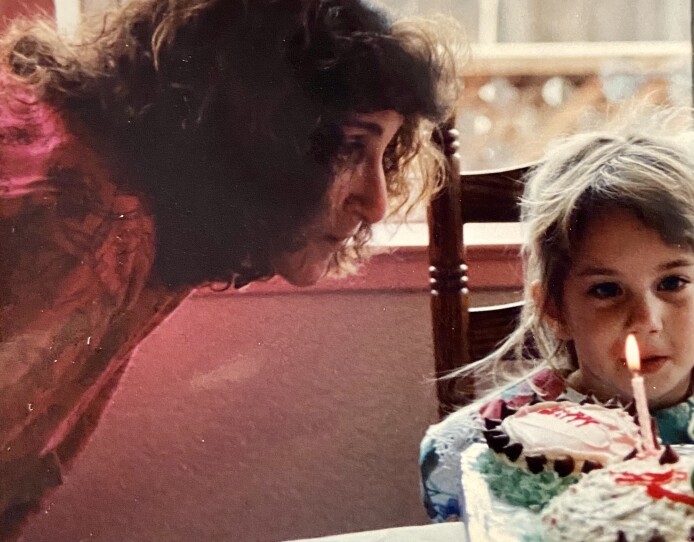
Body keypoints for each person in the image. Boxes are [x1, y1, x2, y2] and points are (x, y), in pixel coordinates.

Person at [0, 0, 459, 535]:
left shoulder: (135, 209)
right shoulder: (98, 227)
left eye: (384, 153)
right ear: (254, 127)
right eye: (350, 145)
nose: (377, 202)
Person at [418, 110, 694, 522]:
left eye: (672, 283)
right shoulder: (480, 450)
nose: (647, 319)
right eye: (607, 290)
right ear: (554, 308)